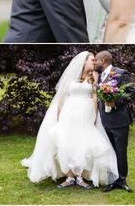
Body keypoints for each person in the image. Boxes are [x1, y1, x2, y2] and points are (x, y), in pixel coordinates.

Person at [21, 51, 118, 188]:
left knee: (84, 143)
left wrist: (95, 116)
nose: (94, 62)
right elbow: (61, 98)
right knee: (68, 143)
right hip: (70, 114)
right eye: (92, 60)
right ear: (84, 62)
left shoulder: (94, 78)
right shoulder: (71, 78)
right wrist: (59, 116)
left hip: (86, 114)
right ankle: (70, 177)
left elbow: (95, 98)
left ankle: (80, 177)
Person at [94, 51, 133, 192]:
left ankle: (122, 180)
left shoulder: (121, 73)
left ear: (103, 61)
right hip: (105, 121)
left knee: (121, 151)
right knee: (109, 152)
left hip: (119, 121)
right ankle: (112, 180)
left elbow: (131, 93)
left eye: (96, 60)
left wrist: (114, 102)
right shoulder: (99, 77)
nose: (94, 63)